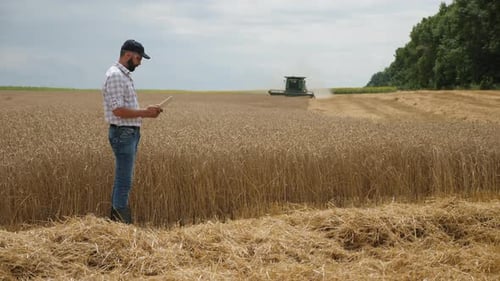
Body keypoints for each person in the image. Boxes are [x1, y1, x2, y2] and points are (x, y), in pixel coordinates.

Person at [102, 39, 162, 224]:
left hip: (129, 132)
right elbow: (118, 110)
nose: (140, 62)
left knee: (123, 179)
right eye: (138, 58)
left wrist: (146, 110)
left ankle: (116, 225)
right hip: (123, 133)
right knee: (124, 181)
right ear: (128, 55)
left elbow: (124, 107)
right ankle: (121, 226)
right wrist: (145, 113)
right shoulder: (116, 76)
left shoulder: (123, 75)